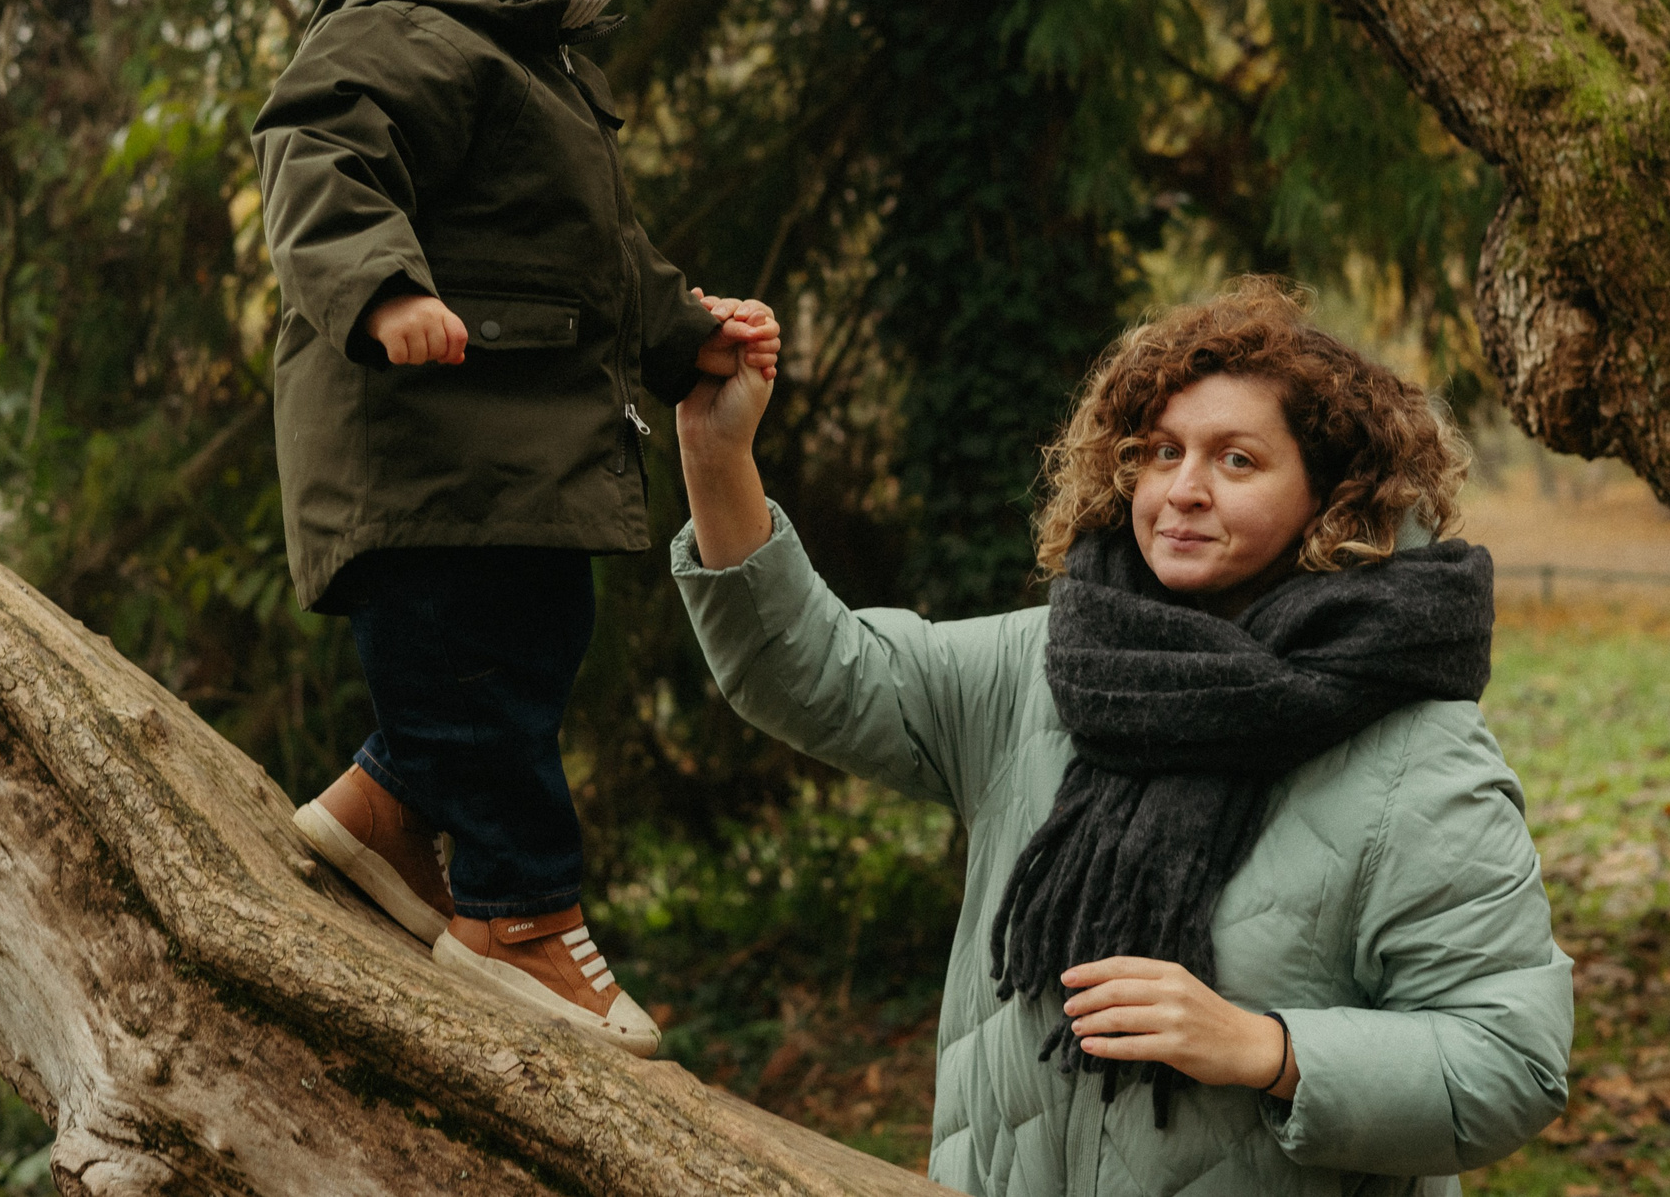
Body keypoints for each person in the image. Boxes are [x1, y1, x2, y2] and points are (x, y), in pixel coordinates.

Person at [671, 281, 1570, 1193]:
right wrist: (716, 452)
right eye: (1162, 452)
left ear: (1333, 496)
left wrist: (1266, 1047)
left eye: (1238, 461)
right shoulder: (1053, 665)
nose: (1182, 489)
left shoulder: (1418, 747)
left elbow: (1511, 1059)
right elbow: (809, 671)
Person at [252, 0, 779, 1058]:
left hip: (512, 457)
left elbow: (601, 261)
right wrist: (384, 286)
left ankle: (380, 812)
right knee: (481, 679)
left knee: (523, 658)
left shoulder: (537, 70)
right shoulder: (408, 26)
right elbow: (318, 154)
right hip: (426, 452)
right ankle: (517, 914)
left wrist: (686, 334)